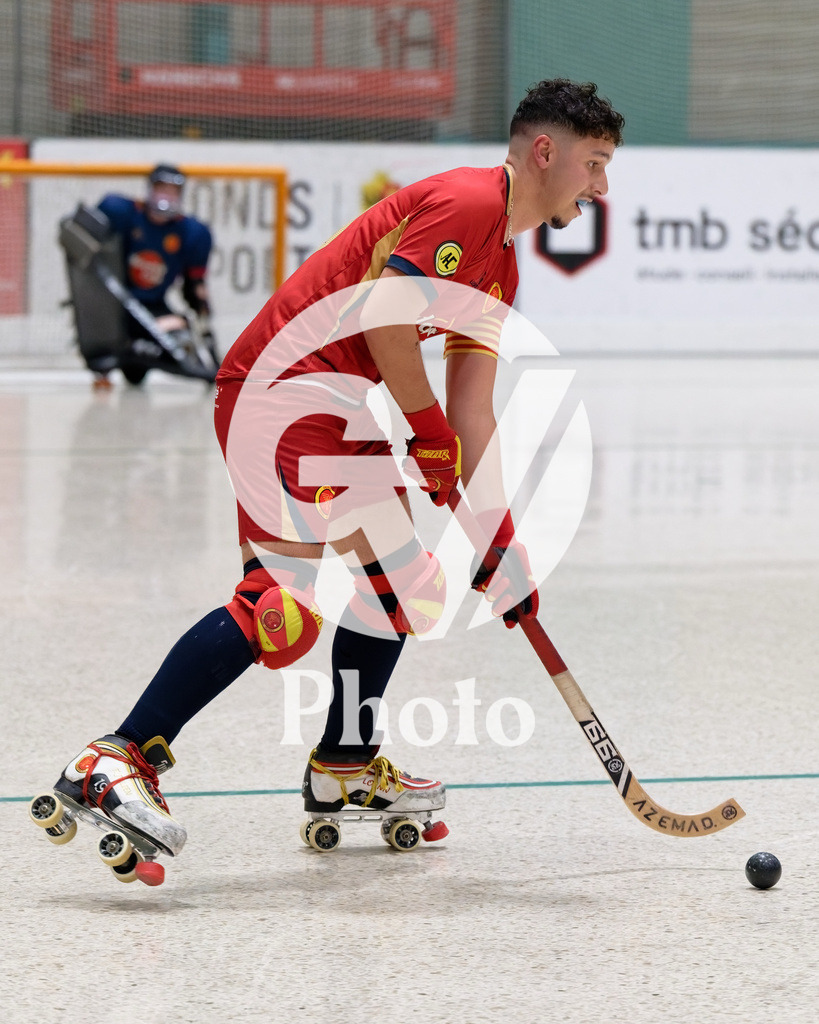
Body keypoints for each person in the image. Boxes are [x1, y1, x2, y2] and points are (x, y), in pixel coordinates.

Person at [44, 81, 624, 866]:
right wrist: (423, 436)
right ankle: (115, 759)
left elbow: (472, 414)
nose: (601, 187)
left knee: (405, 586)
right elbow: (388, 322)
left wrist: (499, 539)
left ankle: (343, 766)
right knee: (281, 611)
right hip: (285, 388)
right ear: (545, 152)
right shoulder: (467, 204)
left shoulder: (501, 270)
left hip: (327, 402)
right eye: (593, 164)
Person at [89, 164, 216, 387]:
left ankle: (138, 348)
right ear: (150, 189)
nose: (165, 195)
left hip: (153, 308)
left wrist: (207, 337)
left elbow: (196, 289)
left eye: (172, 190)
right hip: (118, 306)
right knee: (117, 352)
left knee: (178, 343)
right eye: (161, 188)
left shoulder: (191, 233)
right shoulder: (126, 214)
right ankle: (116, 357)